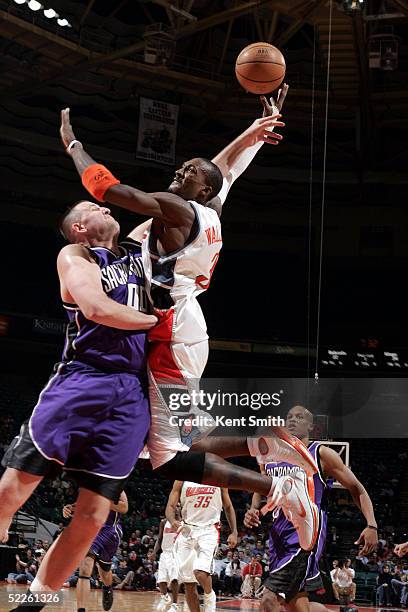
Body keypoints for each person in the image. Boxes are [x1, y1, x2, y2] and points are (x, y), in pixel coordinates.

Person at [59, 91, 320, 550]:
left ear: (201, 189)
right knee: (176, 444)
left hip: (173, 332)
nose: (180, 170)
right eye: (182, 167)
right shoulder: (208, 208)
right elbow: (226, 171)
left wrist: (73, 146)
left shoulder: (175, 208)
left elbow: (107, 190)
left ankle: (281, 483)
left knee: (171, 459)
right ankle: (264, 443)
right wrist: (252, 134)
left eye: (190, 172)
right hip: (178, 330)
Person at [0, 191, 156, 611]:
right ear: (80, 228)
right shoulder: (75, 255)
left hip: (131, 393)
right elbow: (95, 307)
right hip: (83, 379)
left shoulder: (139, 251)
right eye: (92, 209)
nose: (104, 206)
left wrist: (248, 140)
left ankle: (29, 606)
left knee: (90, 518)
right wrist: (158, 321)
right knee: (11, 493)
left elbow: (193, 201)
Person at [244, 404, 378, 612]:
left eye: (299, 417)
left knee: (269, 599)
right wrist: (253, 509)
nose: (292, 420)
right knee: (295, 603)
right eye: (289, 416)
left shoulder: (321, 454)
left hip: (304, 537)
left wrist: (372, 525)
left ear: (311, 427)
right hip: (278, 535)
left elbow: (356, 488)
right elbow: (261, 487)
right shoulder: (273, 455)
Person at [166, 480, 238, 612]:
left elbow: (228, 506)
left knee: (200, 572)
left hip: (209, 529)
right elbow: (170, 506)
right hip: (187, 529)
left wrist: (234, 532)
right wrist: (172, 520)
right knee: (188, 584)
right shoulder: (181, 478)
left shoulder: (218, 475)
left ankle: (210, 596)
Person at [62, 490, 128, 612]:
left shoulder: (117, 483)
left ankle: (107, 588)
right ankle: (81, 609)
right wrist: (70, 508)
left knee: (104, 570)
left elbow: (124, 507)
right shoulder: (91, 482)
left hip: (110, 531)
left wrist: (104, 501)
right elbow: (85, 502)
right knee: (85, 567)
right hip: (92, 530)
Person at [152, 516, 180, 611]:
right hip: (164, 553)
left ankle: (175, 605)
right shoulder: (164, 522)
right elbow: (159, 539)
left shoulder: (184, 522)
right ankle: (165, 597)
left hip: (175, 553)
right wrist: (154, 552)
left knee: (174, 579)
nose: (176, 507)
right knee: (161, 580)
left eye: (178, 505)